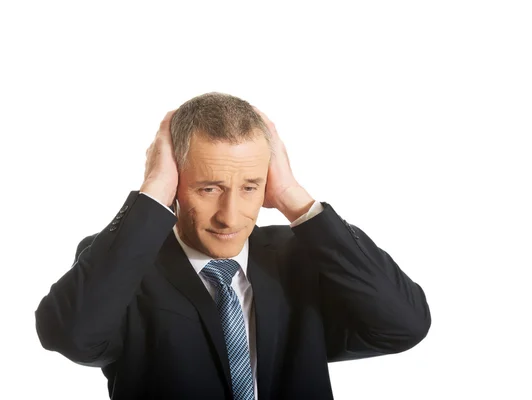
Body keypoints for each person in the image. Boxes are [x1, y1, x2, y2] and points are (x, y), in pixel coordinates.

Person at [35, 92, 431, 399]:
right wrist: (152, 191)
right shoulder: (126, 266)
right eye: (209, 188)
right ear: (176, 182)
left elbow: (402, 326)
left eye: (249, 187)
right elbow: (71, 336)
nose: (231, 215)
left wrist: (294, 196)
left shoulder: (302, 260)